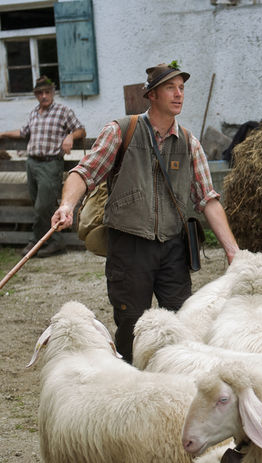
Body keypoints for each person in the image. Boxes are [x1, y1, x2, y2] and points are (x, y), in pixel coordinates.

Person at [51, 62, 240, 363]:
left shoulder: (190, 143)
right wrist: (66, 205)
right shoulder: (121, 131)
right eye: (170, 88)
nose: (179, 95)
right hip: (129, 246)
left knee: (180, 322)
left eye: (181, 88)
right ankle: (130, 383)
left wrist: (232, 250)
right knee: (131, 325)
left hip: (173, 248)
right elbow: (84, 173)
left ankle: (176, 384)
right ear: (151, 95)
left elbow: (208, 199)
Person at [0, 76, 85, 257]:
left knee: (42, 206)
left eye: (47, 92)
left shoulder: (63, 111)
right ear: (36, 95)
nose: (44, 96)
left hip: (50, 163)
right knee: (40, 205)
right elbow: (24, 132)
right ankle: (52, 241)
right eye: (40, 93)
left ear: (52, 93)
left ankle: (39, 241)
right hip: (32, 163)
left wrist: (70, 136)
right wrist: (3, 133)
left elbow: (80, 129)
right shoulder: (34, 113)